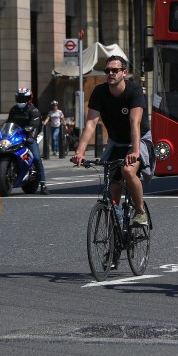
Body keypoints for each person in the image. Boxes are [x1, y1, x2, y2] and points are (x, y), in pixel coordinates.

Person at [72, 55, 153, 229]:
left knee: (128, 171)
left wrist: (135, 151)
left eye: (115, 70)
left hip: (139, 139)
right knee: (112, 180)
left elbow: (135, 123)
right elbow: (91, 124)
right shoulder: (99, 92)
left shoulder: (134, 91)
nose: (111, 73)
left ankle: (140, 211)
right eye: (108, 70)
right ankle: (116, 216)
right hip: (117, 141)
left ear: (124, 72)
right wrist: (80, 151)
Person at [8, 87, 48, 195]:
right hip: (15, 137)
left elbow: (35, 126)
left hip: (29, 137)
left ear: (29, 98)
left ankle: (43, 184)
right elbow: (8, 123)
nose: (21, 100)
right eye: (19, 98)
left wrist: (31, 137)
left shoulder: (33, 110)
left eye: (23, 98)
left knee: (36, 158)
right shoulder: (13, 110)